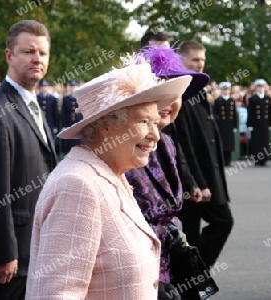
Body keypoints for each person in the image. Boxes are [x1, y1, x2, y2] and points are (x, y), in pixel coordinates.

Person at [26, 59, 192, 299]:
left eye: (155, 123)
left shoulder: (111, 174)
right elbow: (57, 294)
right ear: (106, 125)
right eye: (144, 121)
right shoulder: (78, 186)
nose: (155, 135)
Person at [0, 20, 58, 300]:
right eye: (29, 51)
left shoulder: (34, 106)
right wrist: (4, 253)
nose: (37, 59)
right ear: (9, 55)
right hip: (8, 260)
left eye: (43, 53)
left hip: (35, 248)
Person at [125, 47, 211, 300]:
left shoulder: (167, 143)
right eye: (160, 92)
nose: (170, 102)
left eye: (176, 93)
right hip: (138, 274)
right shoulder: (124, 144)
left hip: (173, 268)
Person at [170, 40, 233, 270]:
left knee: (219, 224)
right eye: (195, 59)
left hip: (207, 177)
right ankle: (193, 278)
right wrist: (196, 182)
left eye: (202, 60)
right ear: (181, 61)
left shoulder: (198, 90)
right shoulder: (181, 93)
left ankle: (195, 275)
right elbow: (184, 145)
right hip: (194, 180)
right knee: (195, 234)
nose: (200, 64)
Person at [247, 79, 271, 166]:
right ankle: (257, 159)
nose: (260, 88)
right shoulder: (252, 99)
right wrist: (249, 124)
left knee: (265, 141)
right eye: (259, 87)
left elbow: (270, 112)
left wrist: (270, 124)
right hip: (256, 123)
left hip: (265, 123)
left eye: (262, 87)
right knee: (257, 142)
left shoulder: (268, 98)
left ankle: (264, 159)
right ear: (256, 88)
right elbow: (250, 113)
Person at [213, 82, 237, 166]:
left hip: (229, 124)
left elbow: (234, 114)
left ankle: (228, 160)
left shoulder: (231, 101)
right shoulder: (218, 101)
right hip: (221, 124)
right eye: (224, 89)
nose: (226, 91)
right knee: (222, 142)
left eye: (227, 89)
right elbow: (215, 114)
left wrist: (235, 125)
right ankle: (222, 160)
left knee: (229, 143)